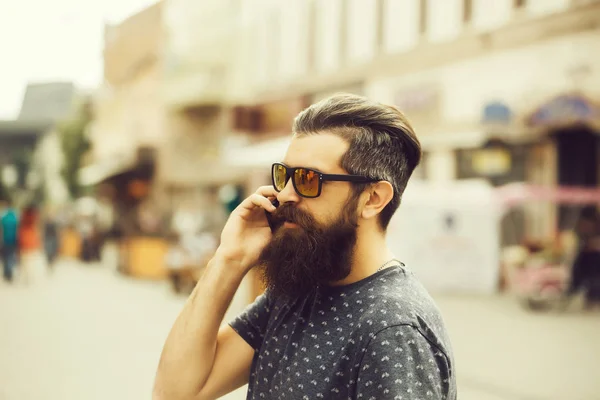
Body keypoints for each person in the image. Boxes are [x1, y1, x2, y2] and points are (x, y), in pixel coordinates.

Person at [153, 94, 456, 400]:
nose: (284, 194)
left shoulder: (392, 330)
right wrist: (230, 258)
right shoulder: (298, 291)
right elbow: (175, 393)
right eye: (284, 175)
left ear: (373, 199)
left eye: (307, 179)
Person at [1, 200, 19, 283]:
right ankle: (9, 273)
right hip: (13, 240)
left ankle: (7, 273)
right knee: (11, 256)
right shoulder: (15, 217)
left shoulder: (3, 217)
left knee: (6, 257)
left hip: (5, 240)